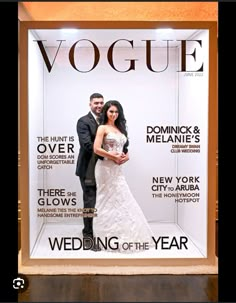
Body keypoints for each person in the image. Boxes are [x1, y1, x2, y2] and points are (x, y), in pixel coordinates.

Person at [93, 100, 154, 253]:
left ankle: (123, 233)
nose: (113, 114)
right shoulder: (102, 128)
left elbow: (124, 149)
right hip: (105, 168)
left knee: (122, 198)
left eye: (116, 112)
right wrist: (111, 156)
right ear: (106, 112)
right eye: (111, 111)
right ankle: (103, 236)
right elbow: (96, 149)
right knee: (105, 199)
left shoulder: (120, 129)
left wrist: (126, 157)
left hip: (117, 169)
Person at [75, 93, 104, 251]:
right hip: (88, 169)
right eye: (96, 103)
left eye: (101, 102)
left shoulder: (106, 120)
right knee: (90, 201)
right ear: (90, 104)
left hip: (105, 169)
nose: (99, 105)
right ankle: (88, 235)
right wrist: (109, 153)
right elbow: (87, 145)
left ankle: (101, 231)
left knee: (103, 201)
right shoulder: (83, 121)